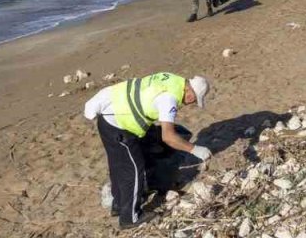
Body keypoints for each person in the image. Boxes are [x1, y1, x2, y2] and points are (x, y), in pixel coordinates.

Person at [84, 72, 212, 229]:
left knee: (118, 164)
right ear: (190, 92)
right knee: (133, 170)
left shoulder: (171, 79)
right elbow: (168, 137)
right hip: (119, 124)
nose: (190, 103)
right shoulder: (169, 98)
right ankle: (129, 218)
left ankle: (118, 204)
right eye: (194, 100)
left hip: (108, 115)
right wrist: (195, 149)